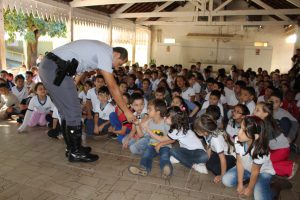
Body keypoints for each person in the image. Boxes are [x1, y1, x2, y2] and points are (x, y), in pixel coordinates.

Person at [39, 40, 134, 162]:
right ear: (116, 55)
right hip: (55, 68)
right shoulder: (106, 53)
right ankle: (75, 152)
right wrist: (126, 111)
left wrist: (73, 85)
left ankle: (72, 148)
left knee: (65, 111)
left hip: (49, 67)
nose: (116, 67)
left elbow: (82, 69)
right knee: (73, 111)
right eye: (119, 64)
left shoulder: (99, 50)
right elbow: (112, 87)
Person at [222, 116, 275, 200]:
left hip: (262, 172)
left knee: (259, 197)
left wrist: (250, 189)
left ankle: (275, 188)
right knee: (226, 180)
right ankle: (250, 180)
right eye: (240, 128)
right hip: (247, 169)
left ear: (256, 136)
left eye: (244, 131)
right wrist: (240, 184)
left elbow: (255, 171)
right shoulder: (238, 140)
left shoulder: (261, 150)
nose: (239, 133)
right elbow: (239, 162)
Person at [128, 99, 173, 179]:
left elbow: (172, 139)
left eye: (150, 109)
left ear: (158, 112)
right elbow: (141, 135)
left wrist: (161, 144)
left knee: (164, 157)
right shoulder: (149, 122)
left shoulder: (166, 123)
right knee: (146, 155)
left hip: (165, 145)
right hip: (152, 145)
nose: (147, 110)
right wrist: (137, 125)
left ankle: (166, 170)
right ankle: (144, 169)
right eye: (147, 108)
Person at [254, 102, 298, 179]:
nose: (254, 111)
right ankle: (283, 163)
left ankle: (289, 167)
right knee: (262, 163)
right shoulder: (263, 122)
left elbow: (261, 141)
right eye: (255, 109)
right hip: (275, 150)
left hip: (282, 150)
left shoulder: (267, 125)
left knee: (264, 166)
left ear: (266, 114)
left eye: (257, 110)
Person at [194, 114, 236, 183]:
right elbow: (209, 147)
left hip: (231, 156)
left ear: (204, 132)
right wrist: (205, 162)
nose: (195, 131)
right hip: (221, 153)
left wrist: (222, 176)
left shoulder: (216, 140)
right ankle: (224, 168)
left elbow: (222, 158)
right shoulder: (207, 133)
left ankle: (234, 167)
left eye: (197, 131)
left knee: (216, 169)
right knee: (208, 164)